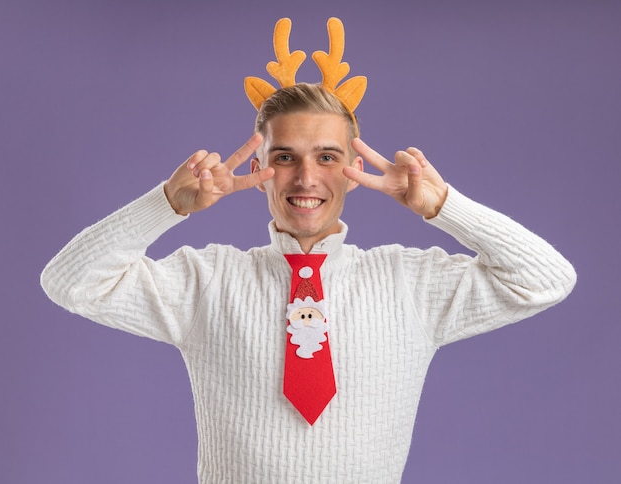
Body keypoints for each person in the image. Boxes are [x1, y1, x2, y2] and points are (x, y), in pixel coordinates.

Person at [41, 19, 576, 484]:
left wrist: (446, 208)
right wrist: (165, 205)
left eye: (326, 156)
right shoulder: (205, 280)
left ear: (355, 170)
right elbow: (70, 283)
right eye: (285, 156)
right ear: (258, 169)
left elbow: (546, 279)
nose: (305, 177)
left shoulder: (409, 283)